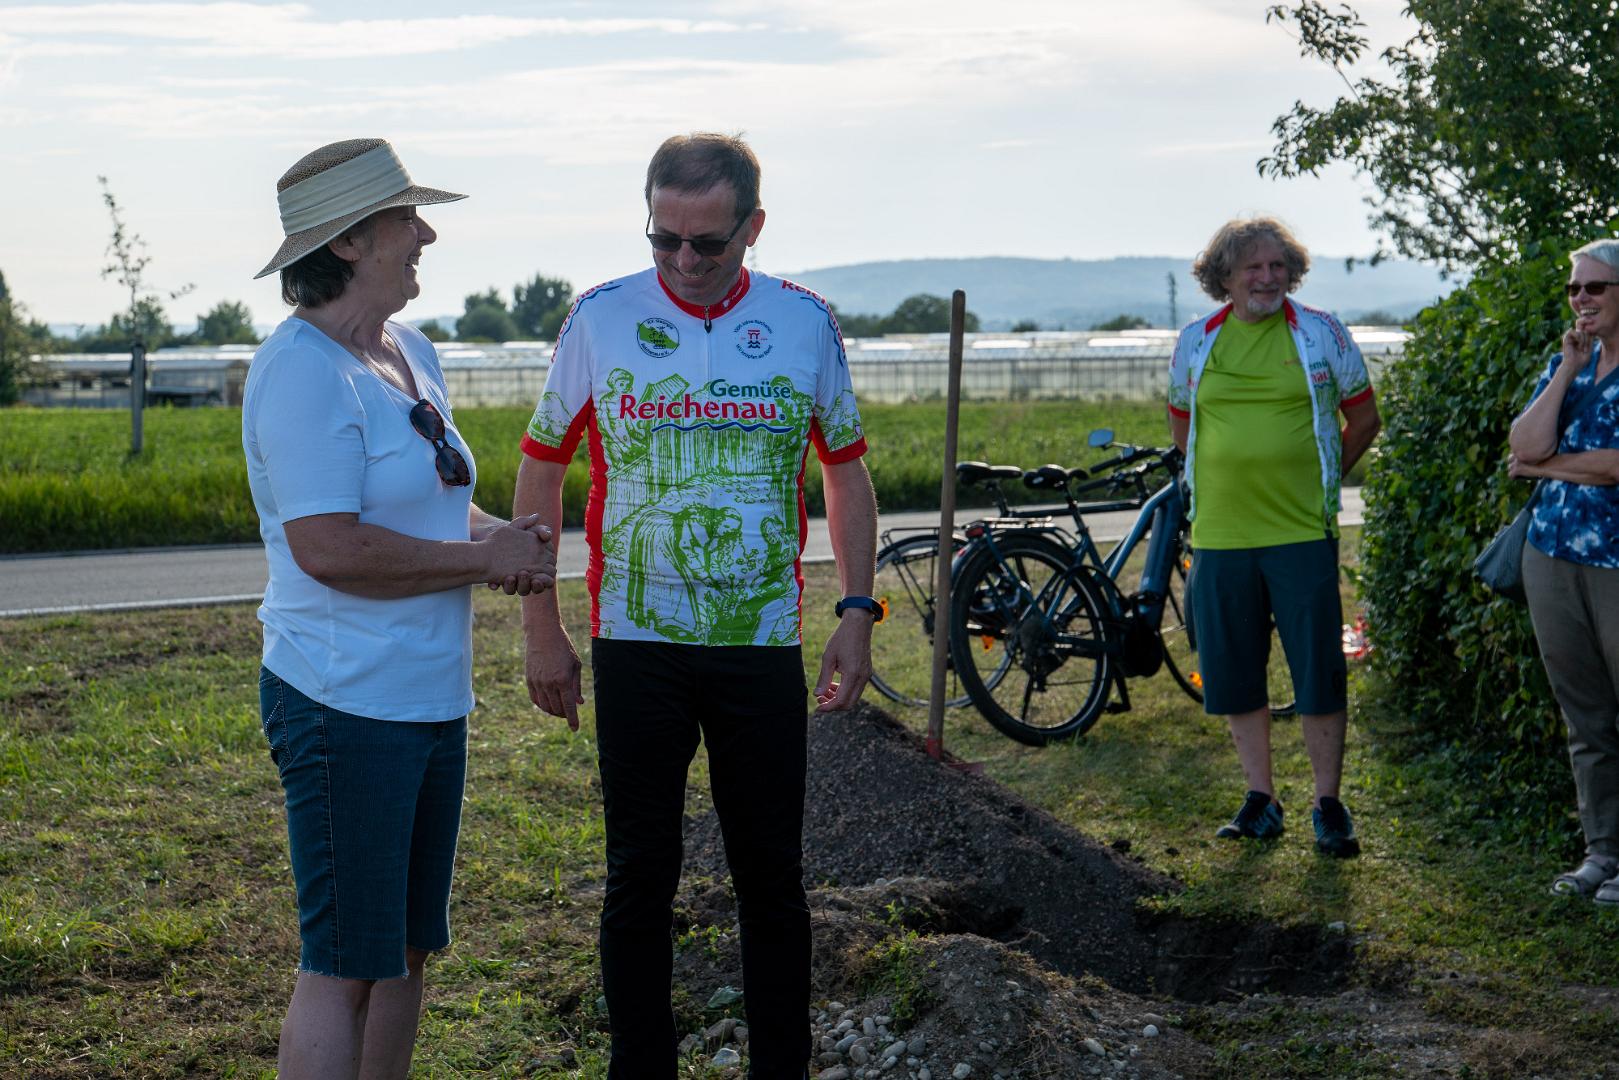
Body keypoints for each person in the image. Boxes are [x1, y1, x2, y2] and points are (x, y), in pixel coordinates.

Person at [513, 132, 879, 1079]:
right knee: (640, 876)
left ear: (753, 227)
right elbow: (540, 471)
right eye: (663, 238)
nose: (683, 260)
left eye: (708, 243)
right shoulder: (599, 318)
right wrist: (542, 623)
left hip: (760, 642)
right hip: (636, 638)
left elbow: (845, 476)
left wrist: (854, 609)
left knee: (771, 880)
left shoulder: (805, 322)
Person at [244, 137, 556, 1079]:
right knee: (343, 963)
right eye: (405, 218)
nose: (424, 234)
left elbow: (424, 501)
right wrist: (478, 559)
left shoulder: (407, 351)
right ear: (348, 242)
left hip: (426, 699)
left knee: (408, 953)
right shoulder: (300, 371)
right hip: (344, 702)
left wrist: (503, 539)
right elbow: (329, 547)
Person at [1167, 215, 1381, 858]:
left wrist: (1318, 480)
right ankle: (1261, 799)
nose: (1268, 277)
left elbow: (1364, 417)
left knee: (1317, 670)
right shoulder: (1195, 342)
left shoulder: (1322, 334)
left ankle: (1328, 805)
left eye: (1278, 266)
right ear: (1224, 278)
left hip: (1300, 532)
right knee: (1234, 671)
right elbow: (1182, 425)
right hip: (1221, 535)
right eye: (1253, 267)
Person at [1507, 239, 1619, 902]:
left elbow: (1613, 468)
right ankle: (1602, 852)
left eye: (1595, 288)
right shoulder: (1568, 363)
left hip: (1613, 562)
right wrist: (1564, 371)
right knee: (1585, 716)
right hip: (1550, 556)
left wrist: (1545, 469)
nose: (1581, 300)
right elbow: (1522, 444)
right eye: (1574, 289)